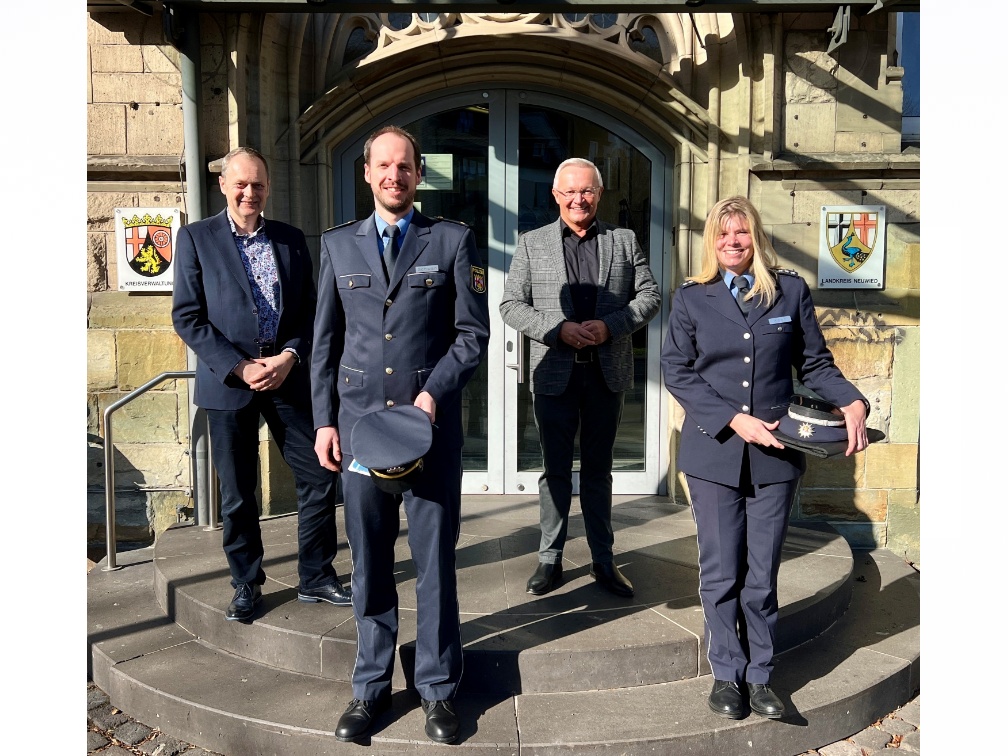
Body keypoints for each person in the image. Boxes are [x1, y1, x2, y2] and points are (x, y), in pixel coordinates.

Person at [311, 125, 490, 745]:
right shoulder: (337, 247)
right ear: (367, 174)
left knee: (436, 562)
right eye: (383, 166)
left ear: (420, 173)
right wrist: (324, 422)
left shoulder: (451, 241)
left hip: (428, 434)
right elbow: (324, 346)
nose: (394, 176)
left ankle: (438, 689)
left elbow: (472, 336)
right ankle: (370, 687)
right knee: (369, 562)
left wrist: (432, 393)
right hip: (361, 431)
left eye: (405, 166)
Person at [660, 195, 870, 721]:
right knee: (721, 571)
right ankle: (727, 674)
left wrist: (850, 398)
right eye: (723, 234)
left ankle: (760, 675)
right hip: (714, 453)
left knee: (762, 573)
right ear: (712, 241)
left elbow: (815, 362)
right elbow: (677, 370)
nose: (733, 242)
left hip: (776, 458)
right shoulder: (692, 298)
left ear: (756, 237)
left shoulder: (789, 290)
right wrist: (734, 419)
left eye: (742, 233)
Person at [172, 146, 350, 623]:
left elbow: (311, 311)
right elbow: (187, 317)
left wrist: (291, 355)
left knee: (318, 474)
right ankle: (246, 583)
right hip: (228, 385)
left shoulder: (291, 240)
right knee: (238, 491)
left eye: (258, 184)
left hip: (287, 379)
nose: (250, 192)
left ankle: (316, 575)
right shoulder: (196, 238)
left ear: (269, 188)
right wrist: (239, 365)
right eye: (241, 184)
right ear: (224, 186)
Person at [499, 157, 660, 599]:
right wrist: (556, 330)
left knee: (598, 471)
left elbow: (650, 295)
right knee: (554, 472)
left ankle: (603, 560)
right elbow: (511, 305)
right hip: (554, 375)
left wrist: (612, 325)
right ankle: (549, 559)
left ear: (599, 194)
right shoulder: (532, 244)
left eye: (586, 191)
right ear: (555, 196)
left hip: (606, 375)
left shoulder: (624, 240)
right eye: (569, 191)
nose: (578, 199)